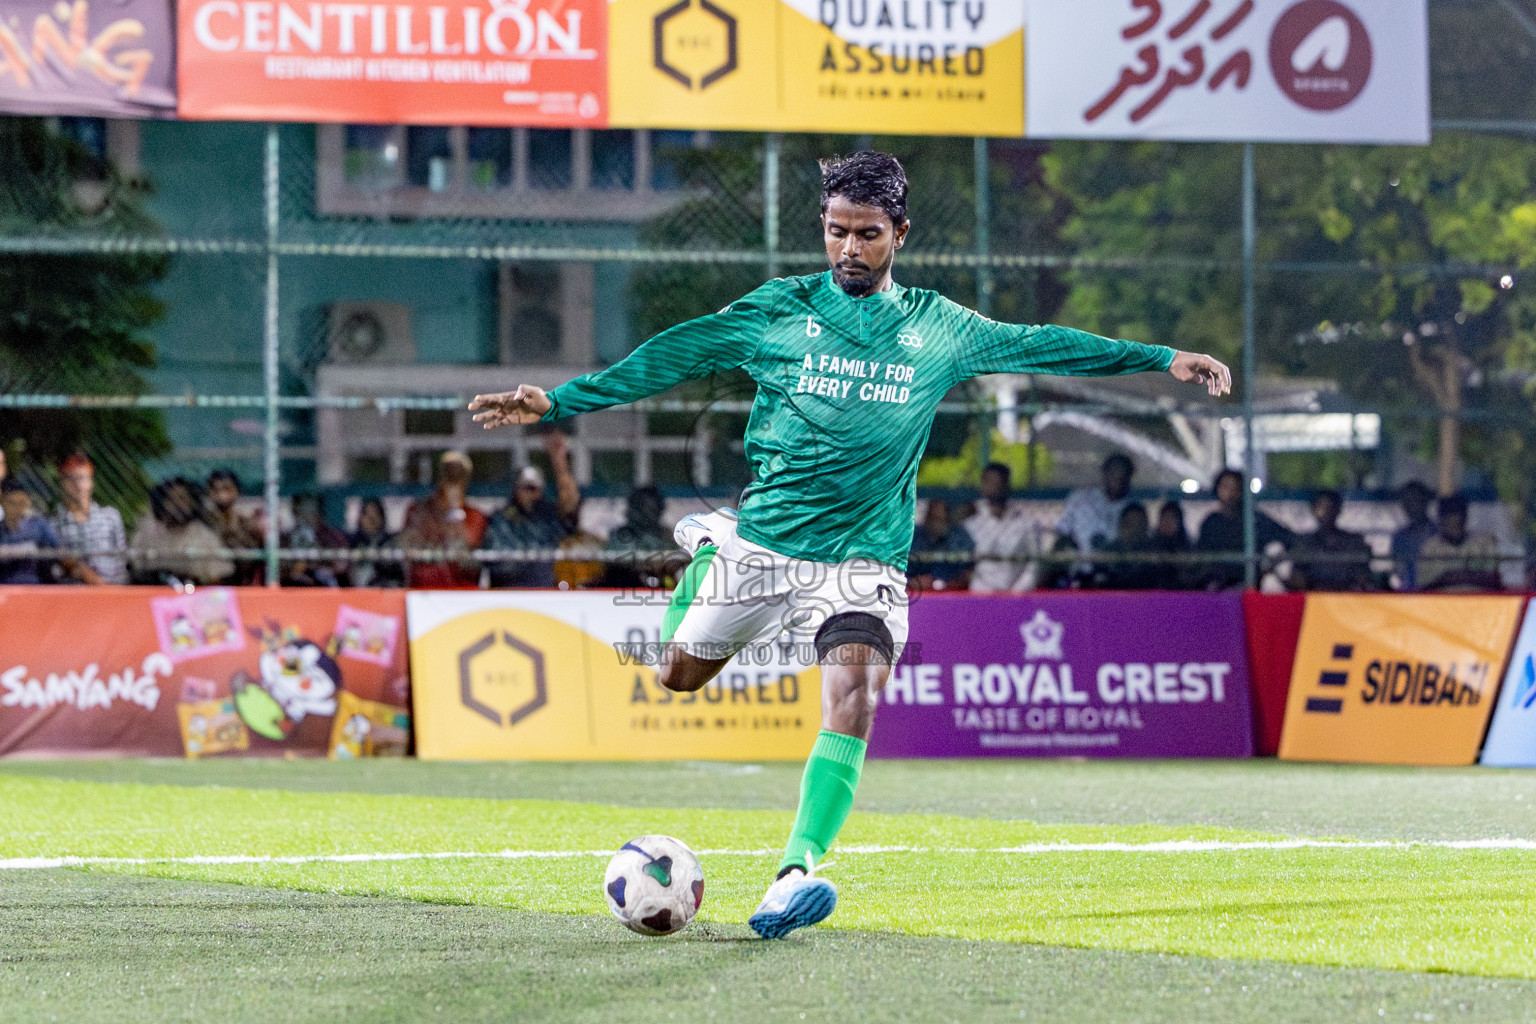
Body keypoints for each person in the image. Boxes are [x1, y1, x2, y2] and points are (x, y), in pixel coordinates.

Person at [469, 150, 1231, 939]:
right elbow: (680, 349)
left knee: (857, 693)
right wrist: (560, 400)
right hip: (761, 546)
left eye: (867, 234)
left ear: (899, 233)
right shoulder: (779, 310)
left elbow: (1042, 344)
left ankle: (794, 874)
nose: (850, 250)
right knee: (676, 674)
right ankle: (708, 547)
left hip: (864, 559)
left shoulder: (942, 328)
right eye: (837, 232)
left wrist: (1159, 358)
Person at [482, 433, 580, 588]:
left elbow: (570, 503)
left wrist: (559, 461)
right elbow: (495, 561)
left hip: (541, 591)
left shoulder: (548, 517)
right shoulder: (501, 519)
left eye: (534, 488)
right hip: (507, 592)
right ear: (516, 489)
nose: (530, 493)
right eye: (525, 487)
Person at [397, 451, 488, 589]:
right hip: (424, 592)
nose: (452, 480)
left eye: (458, 476)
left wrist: (454, 508)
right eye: (448, 474)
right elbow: (407, 544)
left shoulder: (475, 516)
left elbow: (469, 546)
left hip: (462, 593)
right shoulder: (418, 510)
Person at [1195, 469, 1291, 590]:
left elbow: (1284, 539)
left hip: (1252, 584)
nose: (1230, 493)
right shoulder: (1211, 522)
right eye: (1225, 487)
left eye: (1235, 488)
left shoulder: (1255, 519)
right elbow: (1202, 555)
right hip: (1217, 585)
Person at [130, 478, 234, 586]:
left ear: (192, 503)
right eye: (171, 499)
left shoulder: (204, 535)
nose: (177, 505)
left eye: (182, 499)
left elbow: (219, 576)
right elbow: (135, 567)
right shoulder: (148, 532)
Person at [50, 454, 127, 585]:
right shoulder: (53, 524)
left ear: (91, 482)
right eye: (71, 479)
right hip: (73, 596)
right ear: (63, 484)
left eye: (82, 478)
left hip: (111, 594)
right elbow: (54, 565)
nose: (77, 484)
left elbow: (121, 558)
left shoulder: (110, 517)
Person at [964, 463, 1039, 593]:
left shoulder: (1026, 524)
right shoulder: (970, 522)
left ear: (1007, 485)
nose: (994, 486)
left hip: (1016, 596)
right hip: (979, 594)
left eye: (998, 482)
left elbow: (1035, 564)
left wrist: (1016, 592)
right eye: (989, 481)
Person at [601, 484, 686, 589]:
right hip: (625, 586)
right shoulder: (621, 535)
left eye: (653, 508)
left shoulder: (666, 536)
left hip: (659, 587)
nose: (648, 513)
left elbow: (675, 563)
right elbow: (620, 563)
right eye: (642, 506)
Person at [1289, 489, 1373, 592]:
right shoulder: (1304, 542)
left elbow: (1363, 578)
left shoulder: (1353, 541)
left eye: (1331, 507)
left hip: (1348, 599)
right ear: (1313, 510)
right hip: (1313, 599)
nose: (1327, 512)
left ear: (1338, 510)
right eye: (1323, 507)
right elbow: (1297, 578)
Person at [1417, 493, 1502, 592]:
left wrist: (1467, 577)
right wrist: (1446, 579)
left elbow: (1495, 581)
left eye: (1458, 515)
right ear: (1441, 520)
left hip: (1479, 603)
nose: (1455, 521)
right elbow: (1422, 587)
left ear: (1465, 517)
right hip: (1442, 604)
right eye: (1448, 516)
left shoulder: (1484, 543)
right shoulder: (1429, 549)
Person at [1057, 453, 1136, 554]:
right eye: (1113, 471)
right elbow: (1062, 532)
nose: (1118, 477)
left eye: (1123, 473)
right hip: (1080, 566)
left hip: (1116, 567)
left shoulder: (1133, 509)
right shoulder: (1080, 499)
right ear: (1105, 472)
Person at [0, 479, 67, 584]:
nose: (17, 508)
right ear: (3, 503)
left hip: (36, 587)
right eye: (12, 502)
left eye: (21, 502)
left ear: (28, 502)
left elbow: (61, 553)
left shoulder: (39, 525)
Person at [205, 469, 264, 584]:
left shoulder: (247, 522)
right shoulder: (205, 522)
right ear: (210, 493)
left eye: (227, 489)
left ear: (237, 491)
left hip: (243, 579)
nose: (222, 495)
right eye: (216, 490)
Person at [282, 492, 351, 587]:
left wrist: (316, 565)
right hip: (295, 586)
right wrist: (295, 568)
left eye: (310, 510)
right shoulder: (287, 537)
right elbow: (279, 569)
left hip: (325, 585)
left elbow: (341, 566)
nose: (306, 516)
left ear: (319, 512)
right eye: (301, 510)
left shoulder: (333, 536)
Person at [908, 498, 973, 591]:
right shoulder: (915, 536)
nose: (937, 524)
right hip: (918, 591)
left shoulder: (959, 536)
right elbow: (903, 567)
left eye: (941, 519)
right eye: (933, 518)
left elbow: (967, 570)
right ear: (927, 518)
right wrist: (912, 581)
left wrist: (945, 583)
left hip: (953, 592)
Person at [1089, 502, 1156, 590]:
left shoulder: (1152, 552)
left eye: (1139, 524)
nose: (1134, 529)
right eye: (1130, 523)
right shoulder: (1108, 550)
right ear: (1122, 524)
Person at [1390, 481, 1437, 591]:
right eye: (1406, 501)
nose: (1410, 506)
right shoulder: (1399, 538)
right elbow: (1398, 570)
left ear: (1425, 502)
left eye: (1414, 500)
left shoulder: (1438, 534)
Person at [348, 498, 404, 588]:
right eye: (367, 515)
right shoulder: (352, 542)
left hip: (385, 592)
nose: (372, 520)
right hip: (358, 592)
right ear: (360, 518)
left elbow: (397, 574)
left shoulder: (391, 542)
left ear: (382, 518)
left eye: (376, 514)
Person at [1149, 500, 1193, 589]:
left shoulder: (1187, 548)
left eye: (1172, 518)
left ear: (1179, 522)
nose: (1167, 522)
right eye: (1164, 518)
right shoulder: (1150, 546)